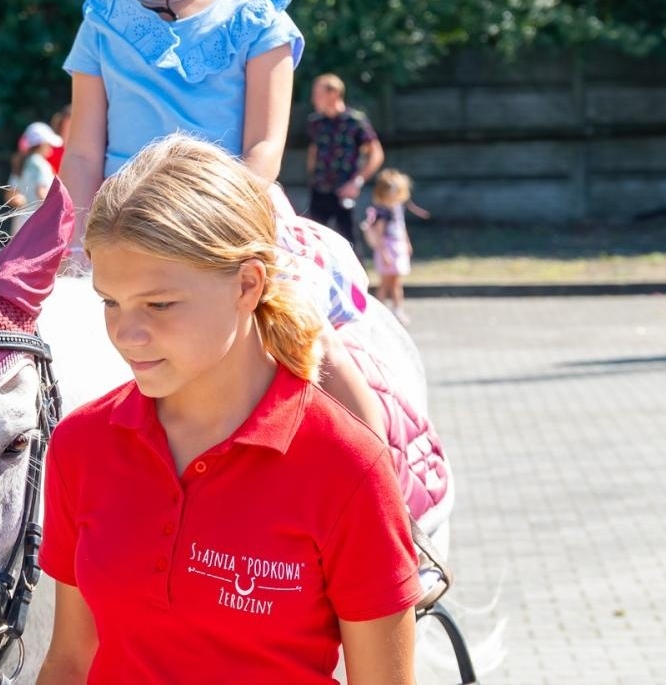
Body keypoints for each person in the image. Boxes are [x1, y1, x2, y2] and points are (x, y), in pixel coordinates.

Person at [56, 0, 386, 440]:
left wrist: (213, 224)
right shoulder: (102, 23)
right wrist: (65, 244)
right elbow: (86, 151)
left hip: (233, 221)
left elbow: (263, 148)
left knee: (313, 340)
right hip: (124, 230)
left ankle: (385, 476)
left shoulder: (260, 22)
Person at [37, 135, 421, 685]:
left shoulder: (346, 466)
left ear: (247, 284)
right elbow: (70, 663)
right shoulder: (80, 444)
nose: (127, 334)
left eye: (160, 303)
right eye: (111, 303)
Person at [305, 74, 384, 248]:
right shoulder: (316, 122)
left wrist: (357, 181)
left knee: (351, 242)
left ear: (333, 93)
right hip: (320, 190)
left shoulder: (355, 121)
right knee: (314, 241)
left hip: (345, 191)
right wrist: (312, 177)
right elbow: (314, 150)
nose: (313, 99)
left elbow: (376, 153)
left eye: (318, 94)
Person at [361, 168, 428, 325]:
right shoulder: (383, 212)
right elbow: (379, 234)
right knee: (386, 283)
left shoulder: (396, 208)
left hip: (398, 247)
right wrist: (383, 252)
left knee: (396, 282)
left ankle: (397, 309)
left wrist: (407, 242)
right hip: (388, 248)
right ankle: (378, 311)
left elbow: (401, 228)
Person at [4, 120, 65, 227]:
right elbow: (42, 192)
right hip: (37, 223)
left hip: (21, 221)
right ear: (41, 144)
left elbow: (10, 194)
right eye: (48, 144)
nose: (51, 147)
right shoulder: (41, 164)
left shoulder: (21, 163)